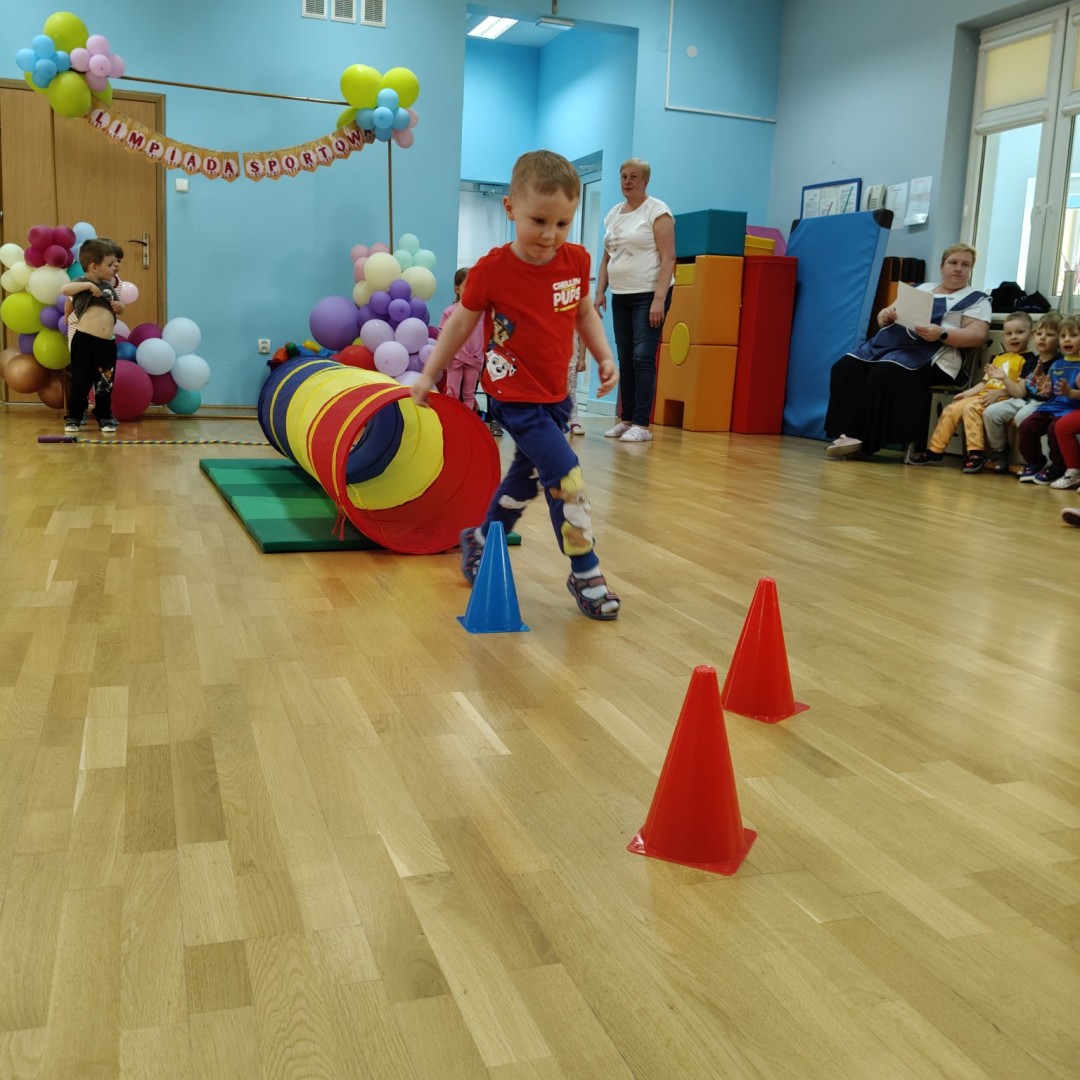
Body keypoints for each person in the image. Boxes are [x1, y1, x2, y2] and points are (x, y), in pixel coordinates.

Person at [411, 150, 621, 620]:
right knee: (566, 477)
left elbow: (584, 313)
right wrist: (428, 374)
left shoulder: (576, 260)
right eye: (538, 221)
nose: (550, 235)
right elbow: (461, 323)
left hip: (556, 398)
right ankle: (585, 571)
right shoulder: (492, 270)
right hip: (513, 397)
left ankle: (482, 539)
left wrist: (605, 356)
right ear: (510, 208)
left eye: (562, 223)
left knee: (526, 478)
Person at [824, 243, 991, 461]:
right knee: (844, 368)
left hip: (936, 357)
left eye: (965, 265)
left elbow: (978, 336)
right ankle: (847, 435)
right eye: (953, 263)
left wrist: (941, 333)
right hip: (893, 347)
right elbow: (886, 315)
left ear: (970, 270)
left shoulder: (977, 299)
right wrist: (885, 315)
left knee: (884, 373)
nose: (958, 268)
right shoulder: (920, 289)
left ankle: (867, 441)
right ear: (942, 267)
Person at [594, 158, 675, 444]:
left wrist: (659, 299)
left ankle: (641, 423)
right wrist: (600, 291)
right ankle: (626, 419)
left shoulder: (657, 211)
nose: (627, 181)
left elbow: (669, 258)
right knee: (626, 357)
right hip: (621, 294)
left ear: (645, 181)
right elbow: (607, 258)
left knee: (642, 357)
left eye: (634, 177)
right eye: (624, 177)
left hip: (649, 294)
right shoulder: (614, 214)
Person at [913, 311, 1032, 472]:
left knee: (971, 409)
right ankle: (935, 450)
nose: (1014, 337)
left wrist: (999, 393)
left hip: (1002, 399)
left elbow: (1020, 390)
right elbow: (985, 383)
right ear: (1003, 336)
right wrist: (968, 393)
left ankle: (976, 453)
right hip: (984, 395)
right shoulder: (998, 357)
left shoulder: (1029, 360)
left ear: (1030, 334)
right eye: (1009, 333)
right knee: (951, 409)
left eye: (1020, 332)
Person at [60, 237, 125, 435]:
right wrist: (88, 287)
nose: (115, 267)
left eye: (116, 263)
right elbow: (65, 290)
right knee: (81, 381)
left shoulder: (109, 287)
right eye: (110, 264)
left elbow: (119, 308)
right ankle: (74, 416)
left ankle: (104, 415)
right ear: (94, 267)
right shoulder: (81, 282)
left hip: (107, 344)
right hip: (84, 341)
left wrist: (120, 307)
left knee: (105, 382)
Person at [983, 311, 1060, 474]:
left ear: (1059, 338)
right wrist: (1004, 378)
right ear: (1033, 336)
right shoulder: (1030, 362)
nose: (1042, 338)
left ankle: (1033, 459)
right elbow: (1019, 392)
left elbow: (1057, 394)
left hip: (1044, 403)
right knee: (991, 412)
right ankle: (1000, 452)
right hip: (1025, 400)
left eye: (1049, 335)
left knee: (1022, 416)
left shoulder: (1059, 363)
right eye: (1039, 334)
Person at [1016, 317, 1080, 483]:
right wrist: (1044, 387)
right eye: (1063, 336)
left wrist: (1069, 392)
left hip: (1071, 410)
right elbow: (1050, 392)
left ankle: (1059, 466)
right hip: (1051, 407)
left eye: (1073, 335)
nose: (1067, 340)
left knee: (1054, 428)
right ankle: (1035, 461)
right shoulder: (1057, 364)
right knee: (1027, 426)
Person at [438, 267, 486, 415]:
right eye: (467, 286)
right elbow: (443, 338)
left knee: (469, 395)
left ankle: (467, 423)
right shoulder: (449, 312)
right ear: (457, 289)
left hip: (474, 362)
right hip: (455, 360)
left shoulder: (481, 312)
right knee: (452, 394)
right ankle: (451, 421)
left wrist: (479, 359)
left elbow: (483, 337)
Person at [567, 330, 586, 436]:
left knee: (571, 393)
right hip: (552, 363)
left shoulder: (577, 320)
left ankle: (574, 421)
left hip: (571, 363)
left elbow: (582, 337)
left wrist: (582, 359)